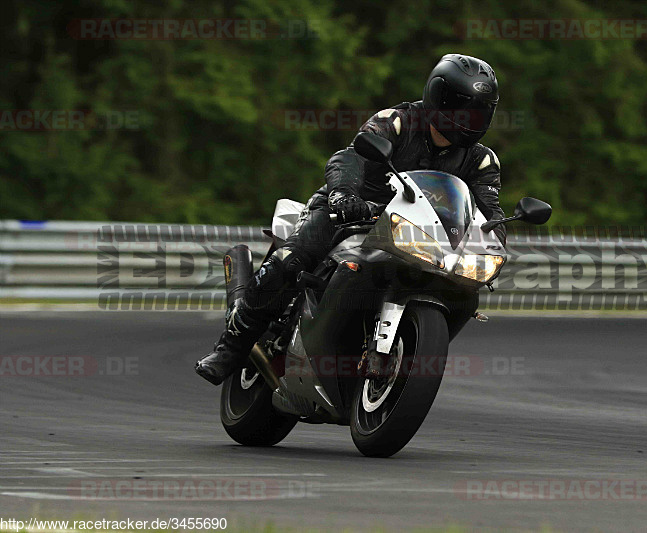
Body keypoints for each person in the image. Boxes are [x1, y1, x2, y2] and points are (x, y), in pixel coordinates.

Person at [196, 53, 506, 385]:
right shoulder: (399, 121)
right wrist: (344, 194)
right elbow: (351, 156)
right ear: (437, 96)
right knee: (290, 260)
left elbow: (488, 209)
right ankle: (231, 347)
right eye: (462, 109)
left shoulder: (482, 160)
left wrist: (495, 242)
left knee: (462, 289)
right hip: (351, 213)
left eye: (477, 111)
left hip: (418, 233)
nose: (468, 119)